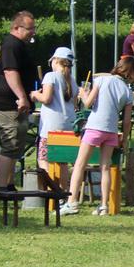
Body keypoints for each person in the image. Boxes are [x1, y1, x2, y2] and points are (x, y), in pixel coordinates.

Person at [61, 56, 134, 217]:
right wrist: (124, 138)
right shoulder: (128, 92)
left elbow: (88, 103)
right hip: (111, 131)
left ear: (119, 66)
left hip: (94, 127)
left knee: (79, 165)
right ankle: (104, 205)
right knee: (105, 168)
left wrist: (83, 93)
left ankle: (72, 202)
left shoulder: (102, 80)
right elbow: (127, 121)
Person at [0, 11, 39, 193]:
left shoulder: (19, 45)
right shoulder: (11, 44)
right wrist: (21, 97)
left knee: (16, 146)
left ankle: (9, 184)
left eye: (34, 28)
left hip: (16, 105)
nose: (33, 32)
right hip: (7, 103)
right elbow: (10, 72)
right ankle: (2, 187)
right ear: (17, 27)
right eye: (30, 28)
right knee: (10, 145)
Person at [31, 45, 77, 186]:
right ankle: (62, 190)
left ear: (56, 60)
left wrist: (35, 95)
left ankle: (52, 189)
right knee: (62, 161)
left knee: (43, 159)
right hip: (69, 125)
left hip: (51, 127)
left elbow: (46, 99)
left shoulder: (50, 76)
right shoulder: (72, 80)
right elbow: (74, 104)